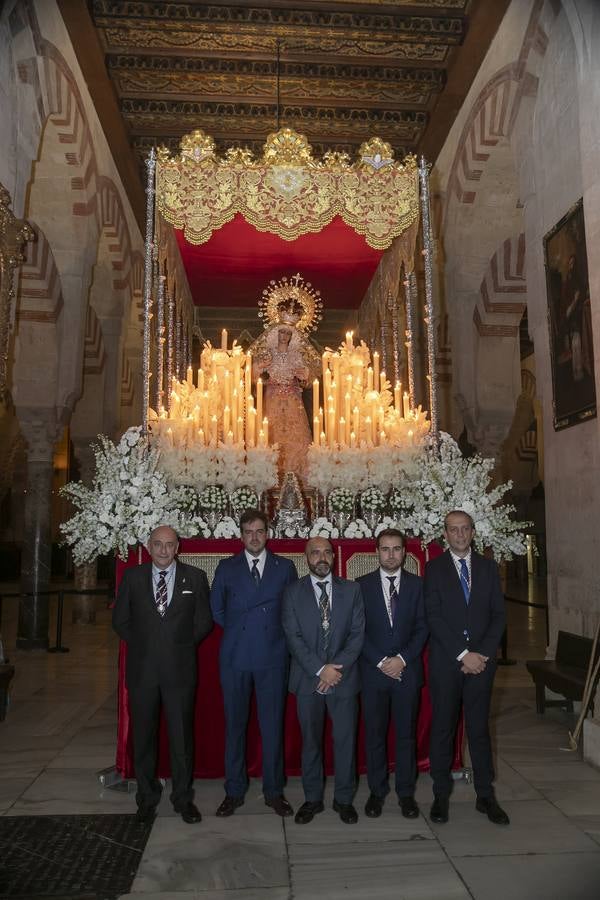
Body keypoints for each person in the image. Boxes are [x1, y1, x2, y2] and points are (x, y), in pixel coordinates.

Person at [112, 525, 212, 824]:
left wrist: (176, 645)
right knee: (144, 738)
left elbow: (203, 622)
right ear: (148, 546)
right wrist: (148, 644)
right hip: (143, 671)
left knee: (181, 738)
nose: (164, 550)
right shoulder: (133, 577)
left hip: (180, 671)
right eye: (158, 544)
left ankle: (183, 799)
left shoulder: (194, 577)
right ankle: (146, 798)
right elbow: (121, 621)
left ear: (178, 547)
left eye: (169, 545)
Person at [210, 509, 298, 817]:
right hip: (235, 657)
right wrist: (240, 632)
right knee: (235, 727)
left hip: (272, 658)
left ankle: (274, 792)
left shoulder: (284, 568)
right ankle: (234, 791)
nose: (254, 537)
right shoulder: (226, 567)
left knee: (272, 727)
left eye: (259, 531)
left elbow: (291, 611)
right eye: (248, 532)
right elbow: (217, 611)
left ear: (268, 533)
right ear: (241, 535)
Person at [424, 510, 509, 826]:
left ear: (473, 532)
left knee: (479, 731)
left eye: (464, 529)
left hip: (481, 665)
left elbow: (499, 615)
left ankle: (486, 796)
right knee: (443, 729)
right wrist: (462, 654)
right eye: (452, 530)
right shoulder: (433, 569)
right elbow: (433, 616)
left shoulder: (488, 568)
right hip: (448, 664)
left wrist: (481, 654)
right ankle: (440, 794)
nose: (459, 535)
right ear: (444, 534)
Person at [282, 537, 365, 825]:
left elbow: (357, 635)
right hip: (308, 681)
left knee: (344, 742)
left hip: (344, 679)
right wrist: (320, 670)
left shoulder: (352, 590)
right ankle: (312, 799)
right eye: (315, 552)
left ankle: (344, 800)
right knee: (311, 743)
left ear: (334, 556)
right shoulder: (292, 592)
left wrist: (334, 671)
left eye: (326, 552)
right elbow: (293, 637)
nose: (321, 557)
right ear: (306, 558)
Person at [356, 528, 428, 819]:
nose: (391, 554)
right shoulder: (360, 586)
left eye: (396, 549)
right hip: (373, 674)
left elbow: (423, 627)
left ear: (404, 552)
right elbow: (356, 630)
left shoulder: (418, 585)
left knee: (406, 736)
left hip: (406, 672)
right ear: (377, 552)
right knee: (374, 735)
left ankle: (406, 794)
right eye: (385, 549)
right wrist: (380, 661)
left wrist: (402, 659)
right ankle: (377, 791)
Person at [251, 321, 320, 480]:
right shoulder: (269, 353)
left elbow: (308, 378)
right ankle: (271, 473)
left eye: (288, 333)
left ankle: (297, 471)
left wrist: (304, 374)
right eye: (282, 332)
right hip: (273, 396)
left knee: (295, 431)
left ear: (292, 337)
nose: (284, 336)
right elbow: (252, 376)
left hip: (292, 397)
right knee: (272, 431)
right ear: (276, 334)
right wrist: (260, 366)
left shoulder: (296, 355)